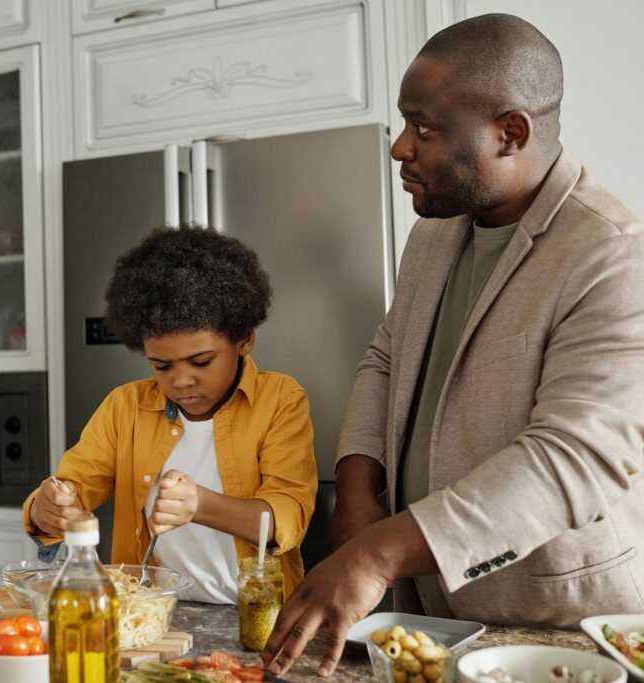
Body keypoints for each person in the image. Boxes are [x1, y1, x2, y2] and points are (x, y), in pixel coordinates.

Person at [261, 13, 644, 677]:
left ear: (510, 132)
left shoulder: (612, 253)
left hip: (552, 628)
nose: (400, 147)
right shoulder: (436, 230)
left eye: (425, 127)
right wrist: (356, 489)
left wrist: (376, 553)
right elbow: (387, 357)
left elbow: (573, 457)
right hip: (429, 613)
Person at [23, 226, 318, 602]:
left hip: (255, 617)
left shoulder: (280, 400)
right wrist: (47, 508)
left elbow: (287, 519)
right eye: (161, 366)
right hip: (154, 614)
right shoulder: (124, 407)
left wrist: (201, 505)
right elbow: (72, 488)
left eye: (201, 361)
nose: (180, 381)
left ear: (244, 339)